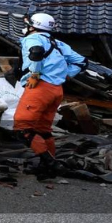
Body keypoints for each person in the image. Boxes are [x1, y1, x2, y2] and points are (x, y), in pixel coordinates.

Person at [13, 12, 86, 180]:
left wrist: (35, 74)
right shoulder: (58, 43)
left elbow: (36, 52)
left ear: (33, 26)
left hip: (39, 88)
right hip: (56, 90)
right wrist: (65, 74)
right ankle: (47, 169)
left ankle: (51, 164)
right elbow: (82, 62)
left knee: (22, 128)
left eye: (27, 23)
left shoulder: (32, 38)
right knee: (43, 130)